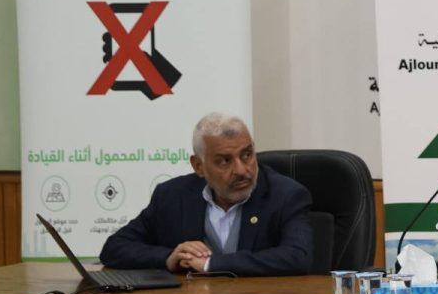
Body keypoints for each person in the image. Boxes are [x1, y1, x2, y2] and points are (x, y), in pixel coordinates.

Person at [99, 113, 313, 275]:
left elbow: (297, 257)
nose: (241, 170)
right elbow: (114, 248)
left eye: (247, 155)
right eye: (225, 161)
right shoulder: (172, 196)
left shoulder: (286, 195)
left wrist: (211, 264)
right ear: (199, 166)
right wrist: (169, 257)